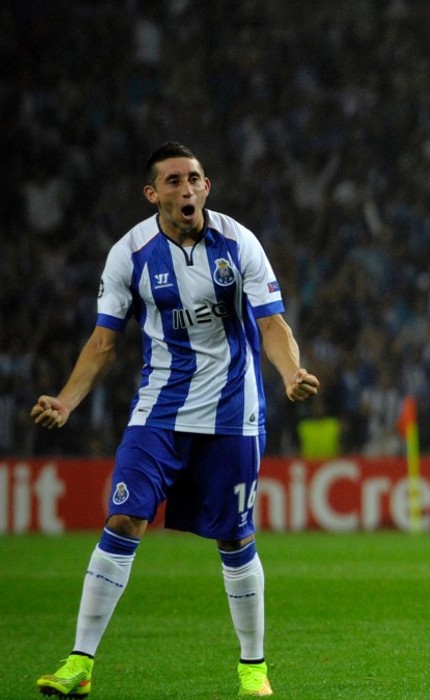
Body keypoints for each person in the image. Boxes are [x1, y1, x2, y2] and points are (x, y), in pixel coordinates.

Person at [30, 141, 320, 698]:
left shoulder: (239, 243)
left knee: (235, 539)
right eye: (173, 181)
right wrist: (66, 400)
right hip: (158, 413)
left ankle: (253, 669)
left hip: (234, 414)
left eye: (194, 179)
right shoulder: (130, 253)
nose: (186, 189)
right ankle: (79, 662)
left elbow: (272, 325)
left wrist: (289, 372)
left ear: (207, 186)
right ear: (152, 193)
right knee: (122, 521)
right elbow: (102, 343)